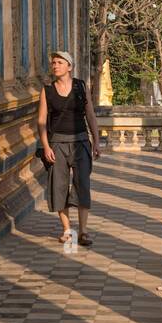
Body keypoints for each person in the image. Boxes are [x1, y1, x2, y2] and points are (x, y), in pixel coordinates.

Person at [37, 50, 101, 246]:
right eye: (54, 63)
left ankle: (83, 231)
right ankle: (67, 230)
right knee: (59, 186)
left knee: (82, 184)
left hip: (80, 141)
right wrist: (46, 146)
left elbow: (90, 115)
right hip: (57, 143)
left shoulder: (81, 87)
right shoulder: (47, 91)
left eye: (60, 62)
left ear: (69, 67)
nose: (55, 66)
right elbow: (41, 121)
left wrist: (96, 141)